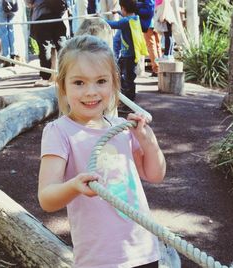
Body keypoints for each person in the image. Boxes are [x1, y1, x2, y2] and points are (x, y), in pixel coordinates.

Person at [38, 35, 166, 268]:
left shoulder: (122, 127)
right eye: (79, 83)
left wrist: (148, 142)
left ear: (114, 83)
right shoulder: (59, 132)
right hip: (98, 258)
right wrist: (74, 186)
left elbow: (155, 175)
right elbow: (46, 198)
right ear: (63, 86)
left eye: (100, 81)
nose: (91, 91)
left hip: (143, 250)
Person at [105, 0, 148, 103]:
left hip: (128, 56)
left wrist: (98, 20)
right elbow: (124, 16)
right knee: (120, 74)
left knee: (128, 79)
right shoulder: (135, 18)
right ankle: (124, 98)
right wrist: (118, 12)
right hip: (129, 55)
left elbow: (111, 24)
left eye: (121, 9)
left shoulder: (126, 22)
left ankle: (129, 102)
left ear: (123, 8)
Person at [28, 0, 68, 87]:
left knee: (45, 47)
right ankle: (67, 73)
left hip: (41, 17)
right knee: (62, 46)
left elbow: (29, 2)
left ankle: (45, 78)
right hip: (58, 17)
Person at [137, 0, 161, 77]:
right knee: (157, 45)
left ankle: (156, 69)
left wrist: (136, 8)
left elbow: (148, 8)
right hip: (157, 20)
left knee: (151, 45)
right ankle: (161, 67)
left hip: (149, 22)